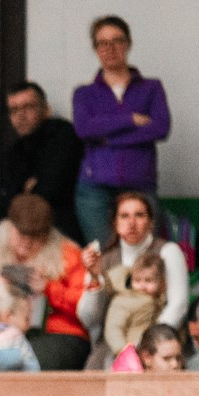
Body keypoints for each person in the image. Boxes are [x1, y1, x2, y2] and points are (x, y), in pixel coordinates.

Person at [0, 194, 93, 370]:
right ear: (9, 228)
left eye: (35, 236)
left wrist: (49, 289)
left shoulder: (68, 256)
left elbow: (88, 309)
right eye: (21, 233)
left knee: (24, 362)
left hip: (57, 334)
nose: (26, 241)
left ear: (47, 235)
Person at [70, 16, 171, 246]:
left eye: (117, 40)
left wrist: (105, 137)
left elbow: (161, 128)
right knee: (107, 259)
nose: (110, 48)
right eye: (102, 43)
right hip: (94, 189)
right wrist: (131, 119)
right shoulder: (84, 93)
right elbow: (84, 129)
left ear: (128, 43)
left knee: (143, 259)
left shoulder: (151, 88)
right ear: (95, 49)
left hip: (140, 184)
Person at [77, 191, 189, 368]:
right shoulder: (103, 260)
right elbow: (89, 318)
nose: (131, 223)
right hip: (114, 347)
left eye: (139, 215)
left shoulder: (168, 251)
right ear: (115, 223)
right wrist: (95, 277)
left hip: (161, 345)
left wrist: (148, 344)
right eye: (124, 216)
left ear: (151, 223)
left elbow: (179, 306)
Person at [0, 81, 84, 242]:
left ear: (46, 110)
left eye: (28, 107)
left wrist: (18, 194)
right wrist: (24, 189)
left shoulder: (62, 135)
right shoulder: (14, 152)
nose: (21, 115)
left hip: (57, 230)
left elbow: (50, 192)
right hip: (18, 230)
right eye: (14, 110)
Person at [101, 249, 168, 363]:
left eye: (148, 280)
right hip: (125, 355)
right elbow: (114, 328)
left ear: (161, 282)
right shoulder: (124, 300)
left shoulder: (160, 301)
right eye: (137, 280)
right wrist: (124, 351)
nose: (142, 285)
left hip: (147, 354)